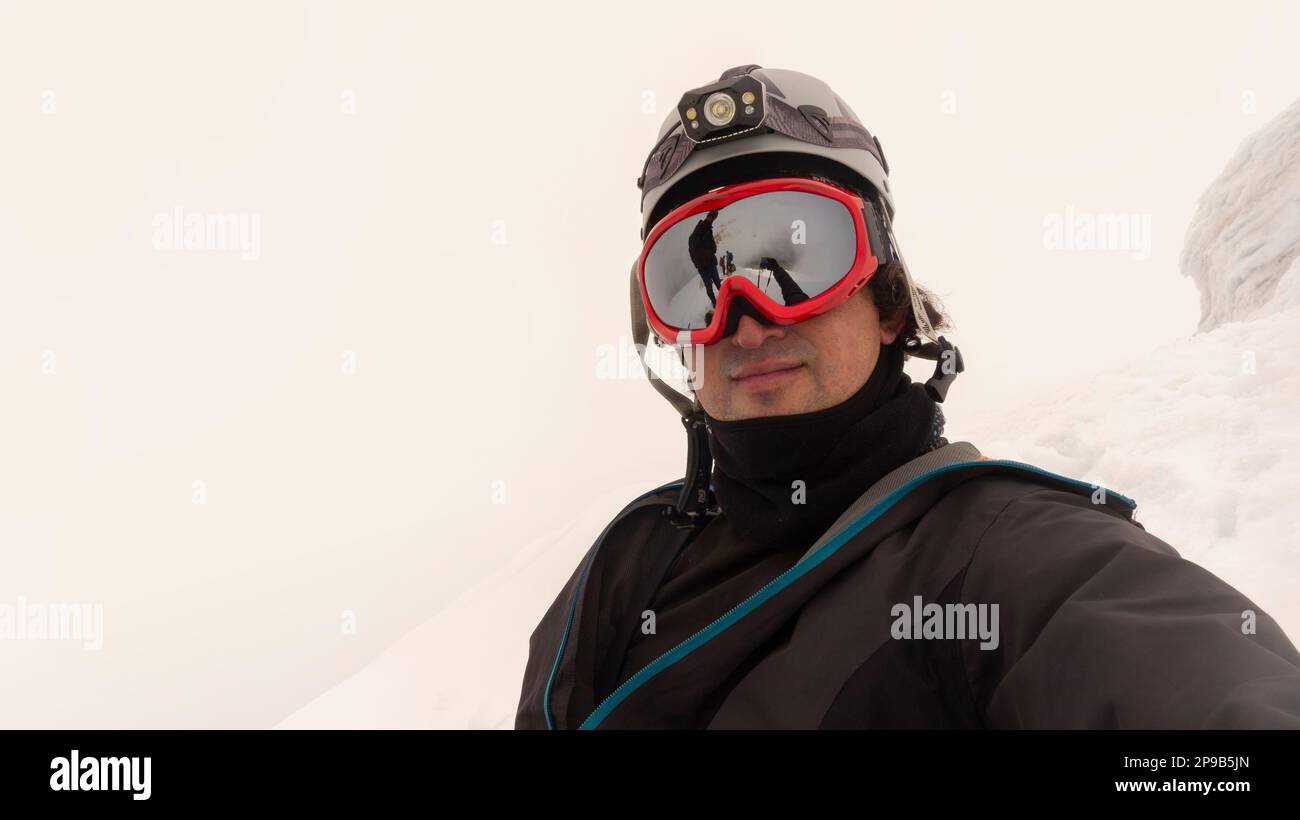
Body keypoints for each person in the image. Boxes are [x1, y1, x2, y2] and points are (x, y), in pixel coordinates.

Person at [515, 65, 1300, 729]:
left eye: (796, 258)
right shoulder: (630, 561)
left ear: (890, 302)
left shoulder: (997, 555)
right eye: (696, 282)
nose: (745, 325)